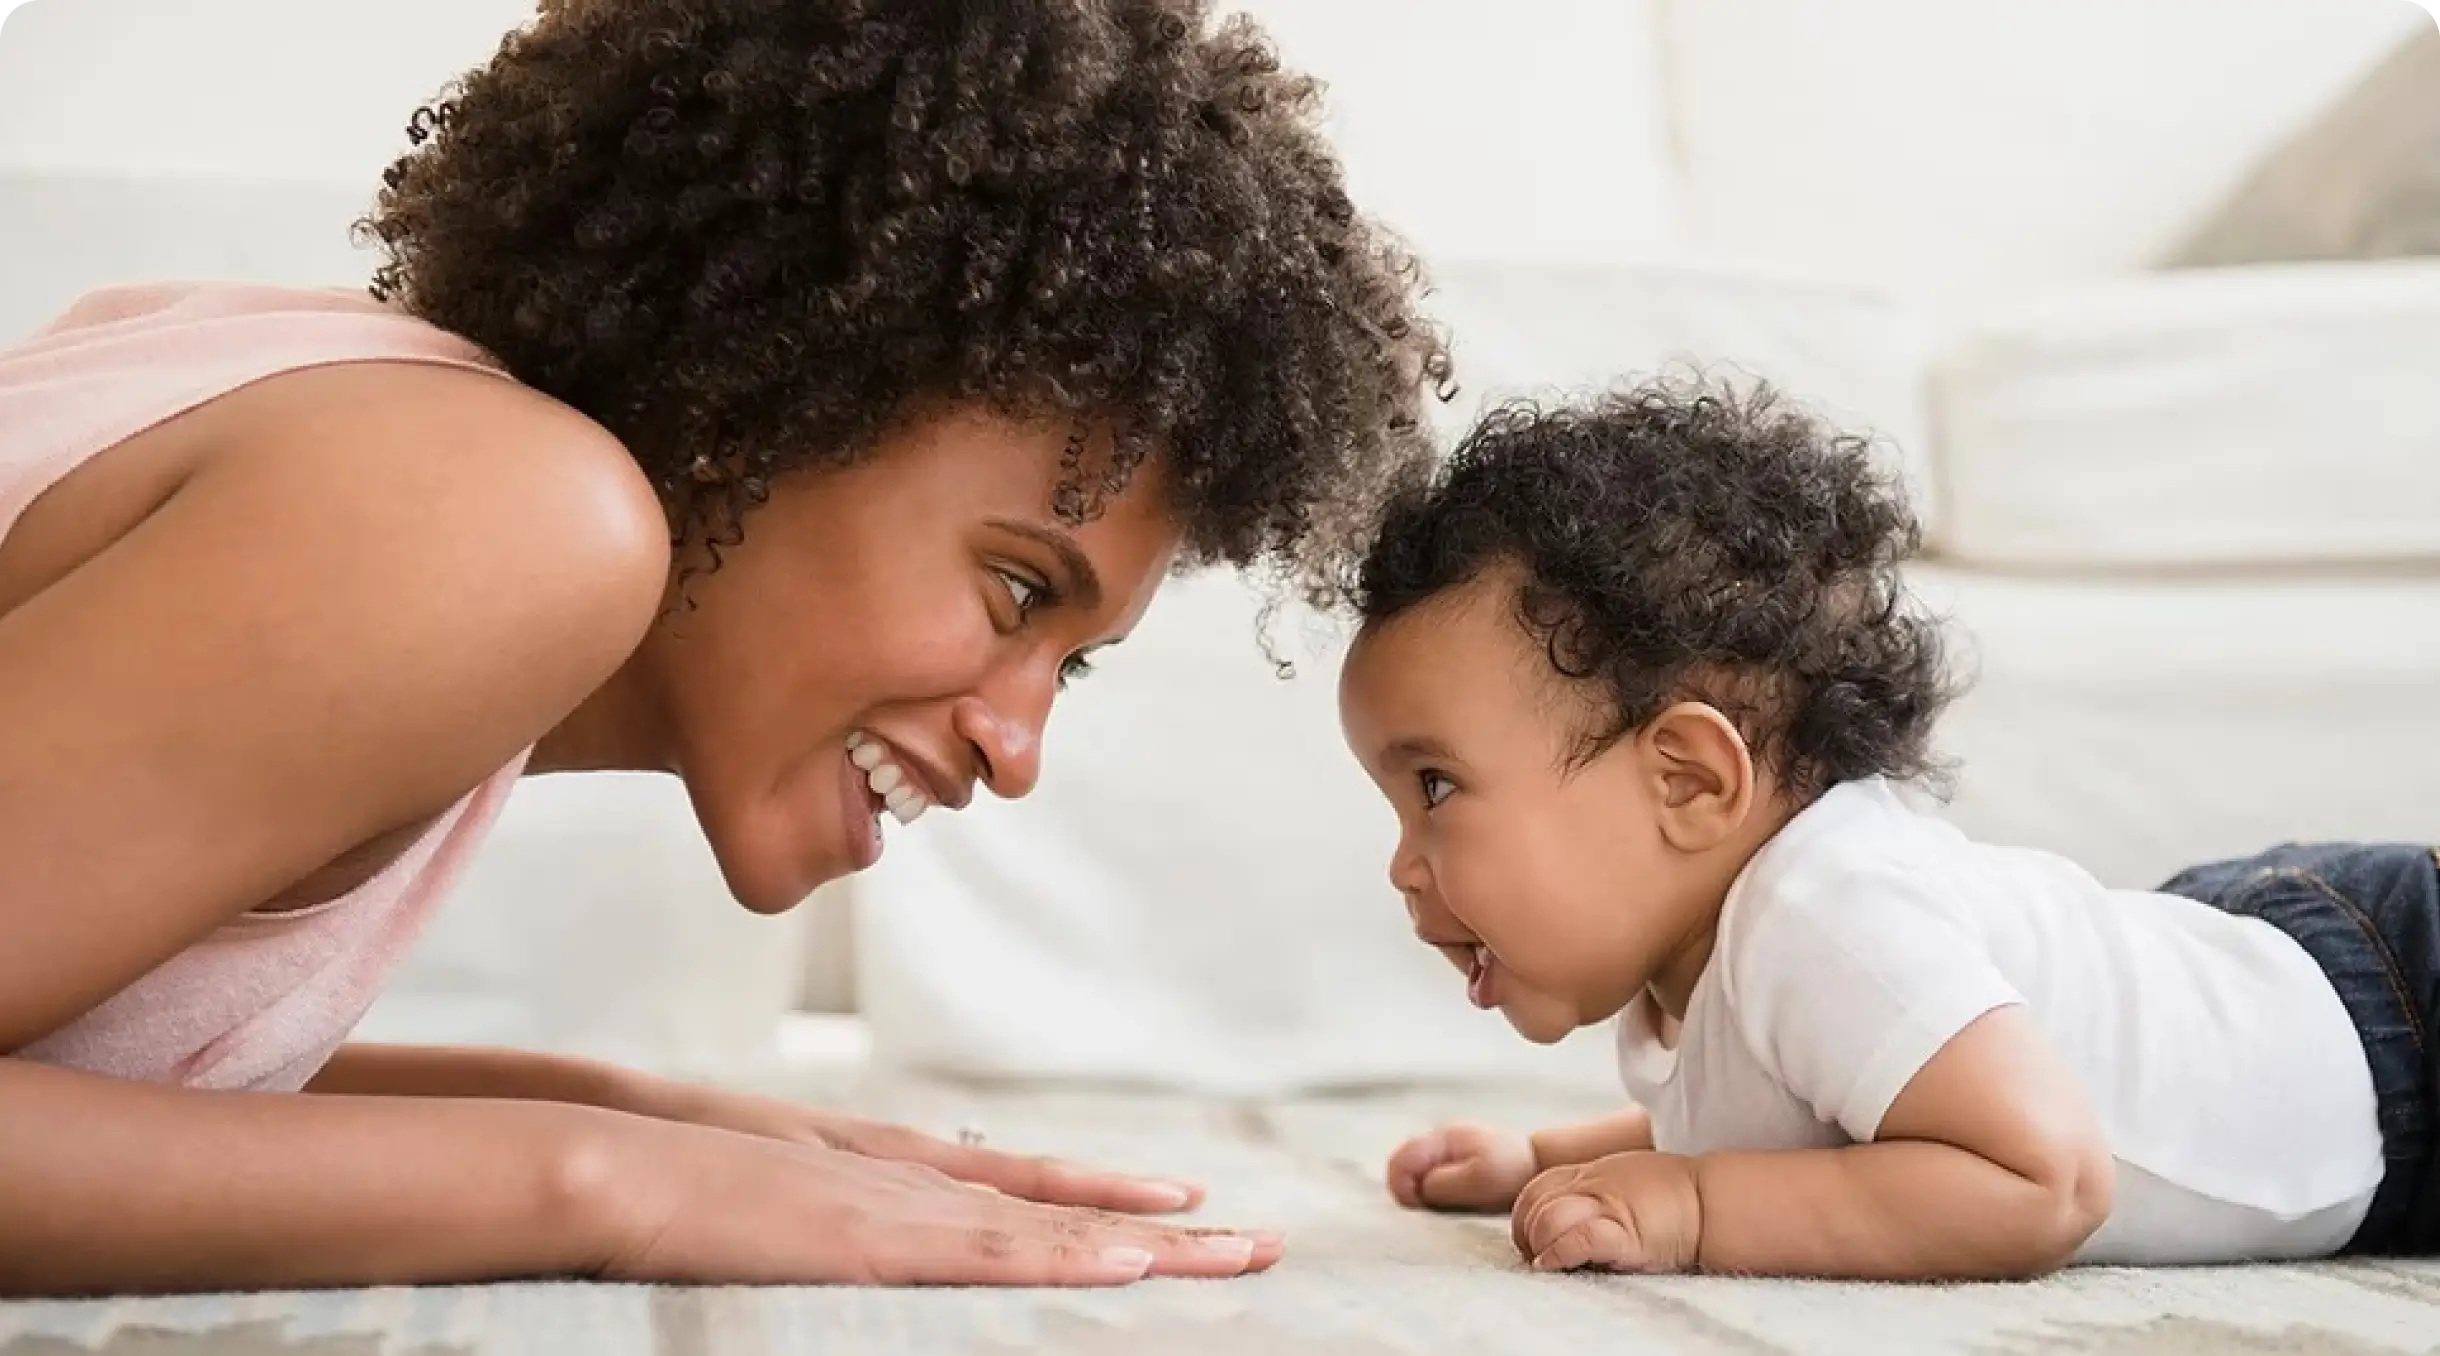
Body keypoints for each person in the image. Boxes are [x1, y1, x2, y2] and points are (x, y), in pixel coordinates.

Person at [0, 0, 1447, 1295]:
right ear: (770, 400)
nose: (1016, 752)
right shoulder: (493, 519)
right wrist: (614, 1186)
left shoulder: (393, 452)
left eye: (1068, 664)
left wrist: (647, 1119)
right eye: (1018, 592)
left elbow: (81, 1060)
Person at [1334, 381, 2439, 1279]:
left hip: (2395, 1014)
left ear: (1689, 781)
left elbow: (2044, 1179)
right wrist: (1542, 1156)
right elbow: (1804, 1118)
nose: (1401, 865)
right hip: (2286, 992)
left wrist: (1695, 1207)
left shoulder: (1823, 914)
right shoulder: (1709, 963)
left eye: (1434, 788)